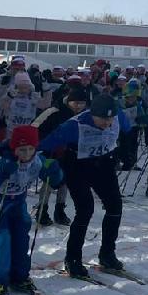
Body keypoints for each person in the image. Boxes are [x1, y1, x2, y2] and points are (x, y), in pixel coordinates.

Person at [40, 94, 132, 277]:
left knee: (115, 206)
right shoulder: (74, 125)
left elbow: (128, 130)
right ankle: (73, 258)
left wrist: (127, 152)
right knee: (85, 209)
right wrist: (46, 162)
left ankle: (107, 253)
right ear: (92, 114)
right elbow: (45, 144)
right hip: (77, 165)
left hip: (103, 163)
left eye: (110, 119)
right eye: (102, 119)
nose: (107, 123)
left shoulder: (118, 116)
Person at [0, 125, 64, 294]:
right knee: (2, 239)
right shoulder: (3, 161)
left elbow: (56, 182)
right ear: (14, 148)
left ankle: (19, 276)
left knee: (21, 239)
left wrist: (55, 172)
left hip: (18, 203)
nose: (26, 154)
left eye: (30, 149)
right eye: (22, 150)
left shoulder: (37, 161)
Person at [32, 87, 89, 226]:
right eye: (75, 103)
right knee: (49, 180)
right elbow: (35, 127)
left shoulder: (84, 115)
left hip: (69, 153)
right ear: (68, 101)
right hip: (49, 152)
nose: (78, 106)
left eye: (82, 103)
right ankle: (42, 210)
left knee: (65, 180)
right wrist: (43, 144)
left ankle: (60, 210)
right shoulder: (54, 111)